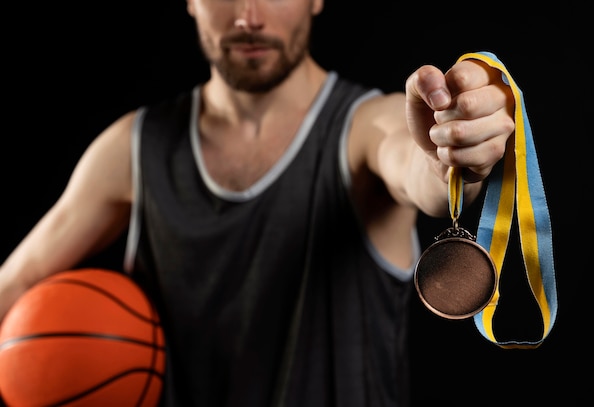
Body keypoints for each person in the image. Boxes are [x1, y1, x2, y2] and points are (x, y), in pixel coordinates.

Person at [0, 0, 516, 406]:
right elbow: (18, 281)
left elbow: (415, 170)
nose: (249, 16)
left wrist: (450, 155)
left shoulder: (363, 128)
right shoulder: (131, 148)